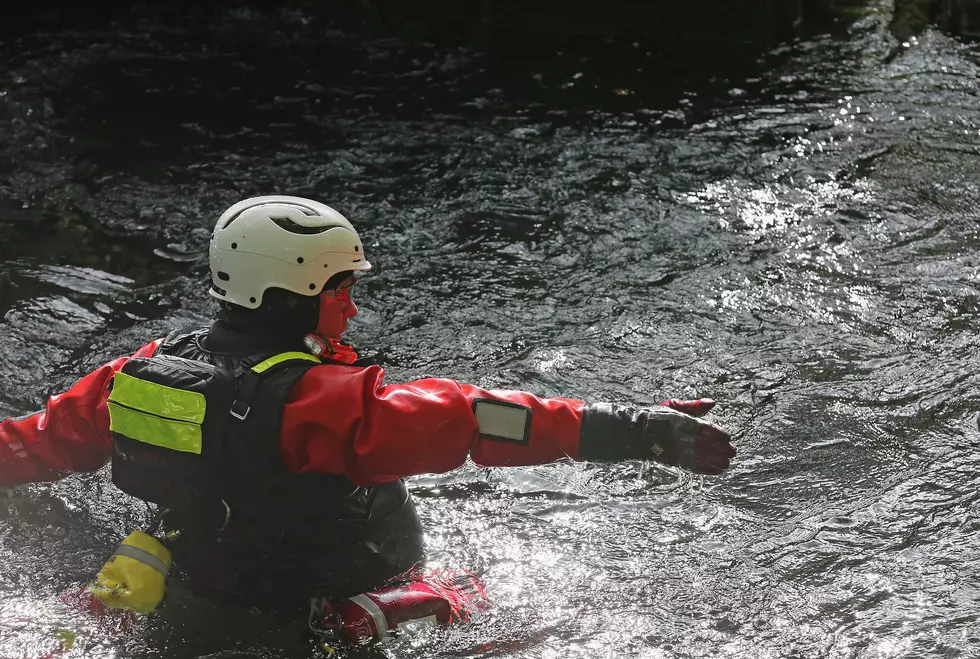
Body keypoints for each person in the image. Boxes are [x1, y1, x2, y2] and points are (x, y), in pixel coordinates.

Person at [0, 195, 735, 644]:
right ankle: (382, 614)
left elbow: (35, 444)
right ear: (293, 295)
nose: (351, 305)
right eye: (340, 288)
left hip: (207, 579)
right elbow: (482, 421)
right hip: (322, 600)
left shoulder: (139, 371)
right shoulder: (326, 404)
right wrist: (638, 429)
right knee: (477, 591)